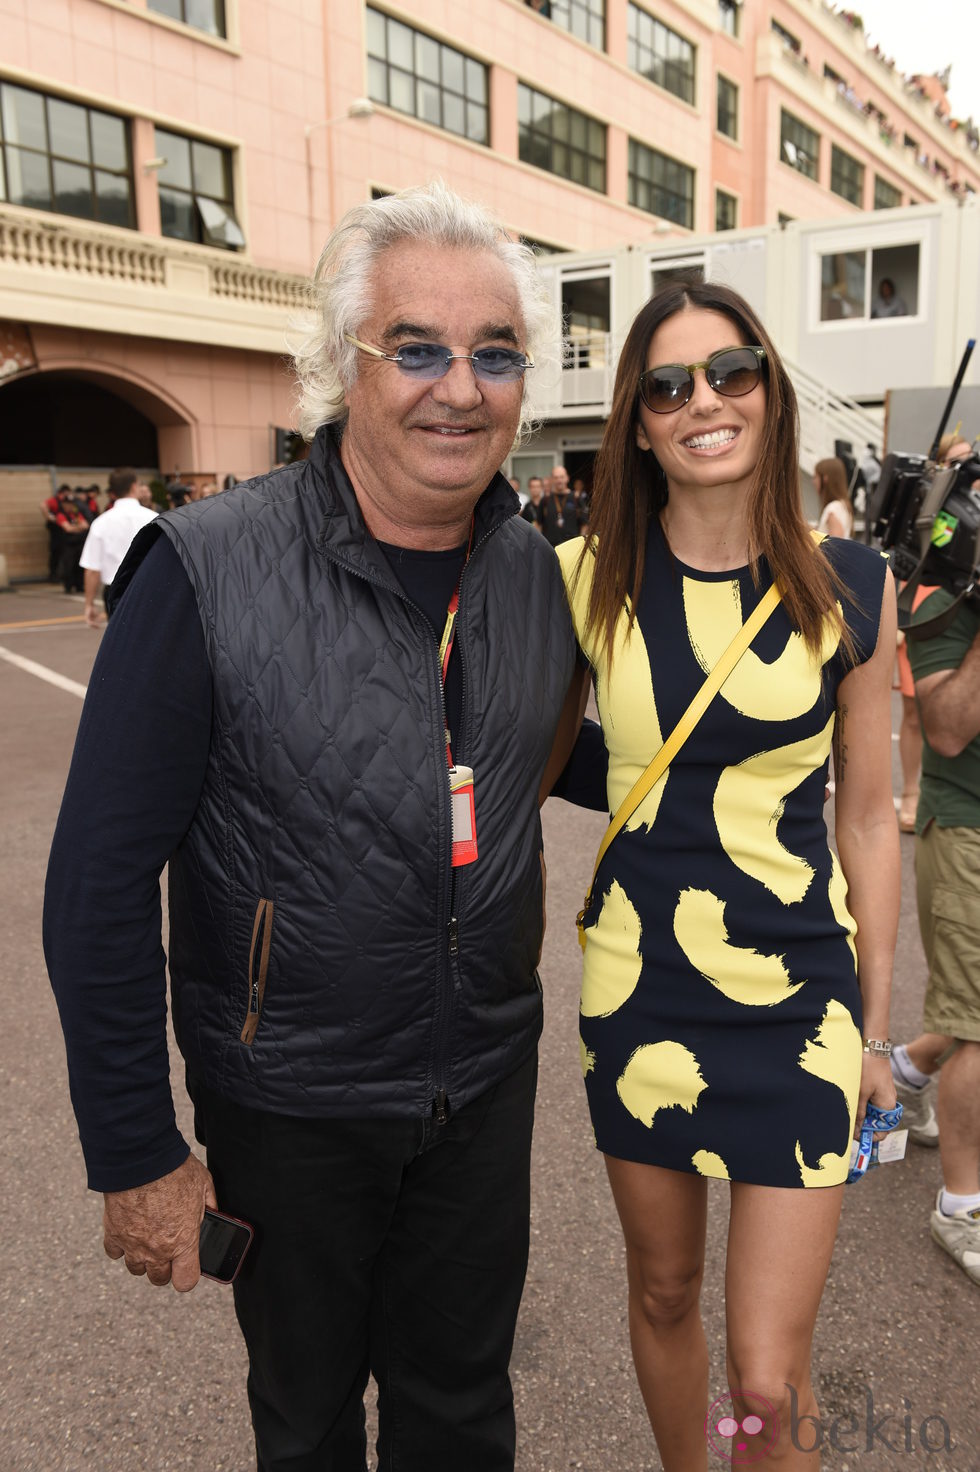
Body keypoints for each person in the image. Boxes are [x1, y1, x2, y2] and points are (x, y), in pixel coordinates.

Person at [44, 182, 577, 1471]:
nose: (460, 386)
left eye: (494, 353)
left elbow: (595, 750)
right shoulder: (207, 568)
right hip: (288, 1098)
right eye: (418, 348)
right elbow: (97, 881)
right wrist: (137, 1149)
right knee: (308, 1420)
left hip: (481, 1079)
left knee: (462, 1408)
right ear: (343, 365)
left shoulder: (528, 568)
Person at [548, 281, 900, 1468]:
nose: (702, 400)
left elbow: (864, 812)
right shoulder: (581, 575)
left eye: (729, 370)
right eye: (667, 384)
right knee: (659, 1290)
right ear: (635, 422)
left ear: (769, 391)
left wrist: (870, 1028)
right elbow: (534, 751)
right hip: (636, 987)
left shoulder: (850, 581)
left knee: (765, 1363)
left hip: (799, 999)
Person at [891, 582, 980, 1284]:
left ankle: (908, 1071)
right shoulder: (946, 604)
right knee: (979, 1025)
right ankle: (961, 1206)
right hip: (966, 834)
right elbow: (946, 726)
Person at [79, 467, 158, 627]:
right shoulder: (153, 518)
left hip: (116, 592)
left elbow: (92, 569)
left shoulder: (101, 522)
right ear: (134, 486)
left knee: (120, 645)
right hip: (150, 589)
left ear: (113, 491)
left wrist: (89, 604)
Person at [539, 462, 584, 546]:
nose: (559, 480)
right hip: (551, 548)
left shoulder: (576, 498)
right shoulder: (545, 499)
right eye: (556, 478)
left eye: (562, 477)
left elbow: (585, 524)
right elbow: (539, 525)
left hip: (572, 547)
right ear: (551, 480)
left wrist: (581, 545)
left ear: (567, 478)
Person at [813, 455, 853, 539]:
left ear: (825, 479)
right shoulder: (842, 505)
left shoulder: (833, 509)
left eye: (815, 477)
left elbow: (836, 546)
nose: (813, 481)